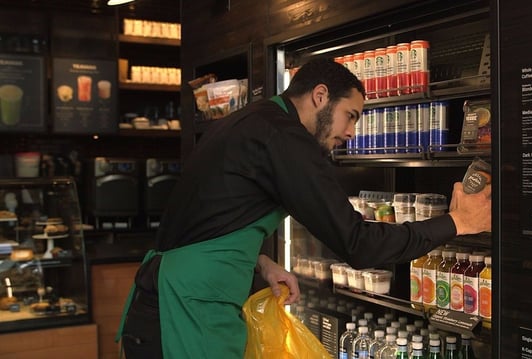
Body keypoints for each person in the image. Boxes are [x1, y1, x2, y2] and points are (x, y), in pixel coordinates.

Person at [116, 58, 491, 358]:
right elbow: (358, 244)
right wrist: (457, 222)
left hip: (166, 300)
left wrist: (259, 262)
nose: (350, 133)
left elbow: (207, 215)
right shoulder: (285, 139)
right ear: (320, 95)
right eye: (352, 115)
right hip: (185, 313)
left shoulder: (254, 120)